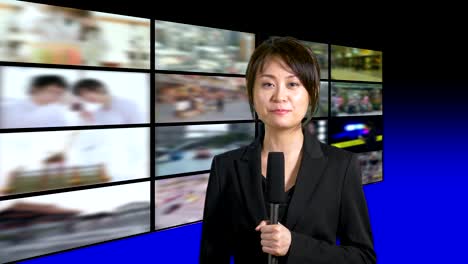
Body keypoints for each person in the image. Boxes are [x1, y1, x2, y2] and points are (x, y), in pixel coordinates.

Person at [199, 36, 376, 263]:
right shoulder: (226, 168)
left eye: (293, 84)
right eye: (267, 84)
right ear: (252, 94)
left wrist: (295, 245)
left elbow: (363, 258)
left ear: (311, 93)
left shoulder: (341, 166)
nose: (279, 96)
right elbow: (211, 257)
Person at [0, 75, 69, 128]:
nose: (56, 96)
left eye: (60, 93)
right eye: (52, 91)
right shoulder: (7, 109)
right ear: (35, 89)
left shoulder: (57, 113)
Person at [72, 78, 145, 125]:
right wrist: (89, 120)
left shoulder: (128, 104)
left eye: (86, 93)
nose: (86, 98)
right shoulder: (98, 112)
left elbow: (140, 129)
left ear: (99, 88)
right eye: (82, 96)